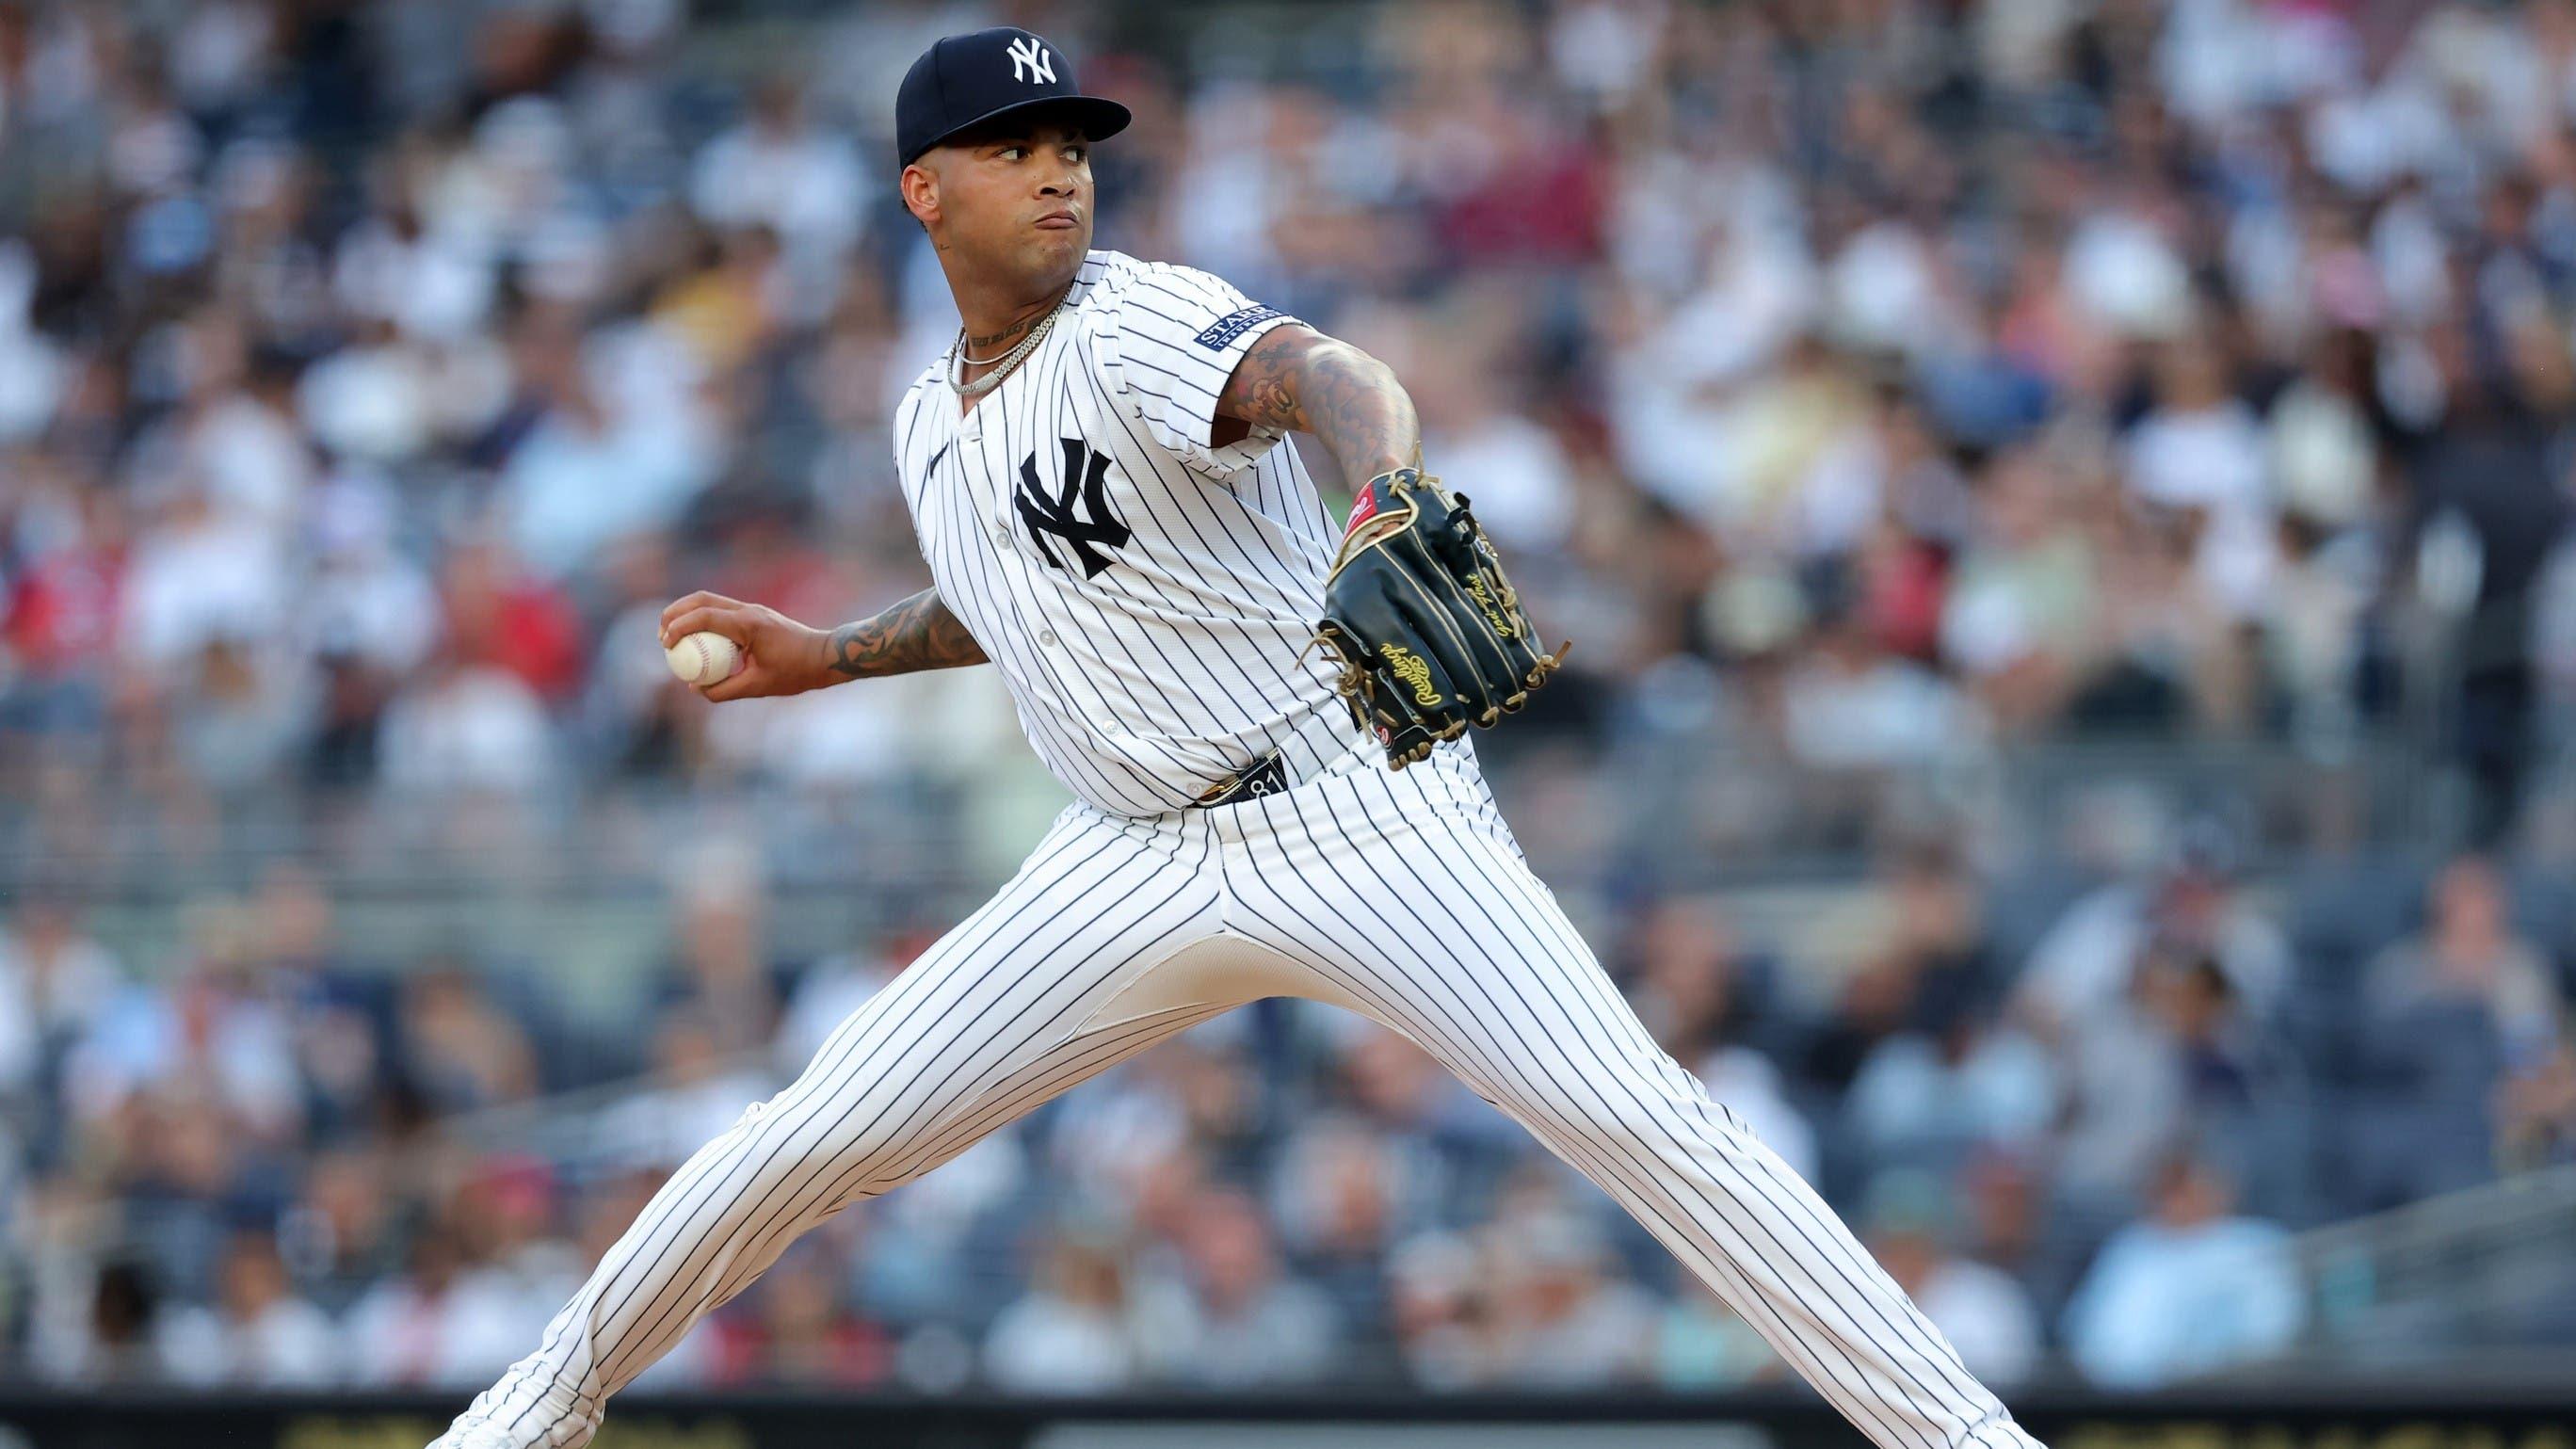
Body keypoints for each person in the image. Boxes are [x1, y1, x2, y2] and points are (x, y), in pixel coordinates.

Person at [430, 28, 2044, 1449]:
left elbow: (1326, 375)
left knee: (1635, 1116)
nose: (1058, 174)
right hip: (1125, 857)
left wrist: (1385, 485)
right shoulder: (927, 411)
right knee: (810, 1136)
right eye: (1014, 149)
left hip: (1355, 814)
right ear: (926, 190)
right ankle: (528, 1415)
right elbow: (1031, 594)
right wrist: (831, 658)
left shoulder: (1135, 326)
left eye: (1071, 146)